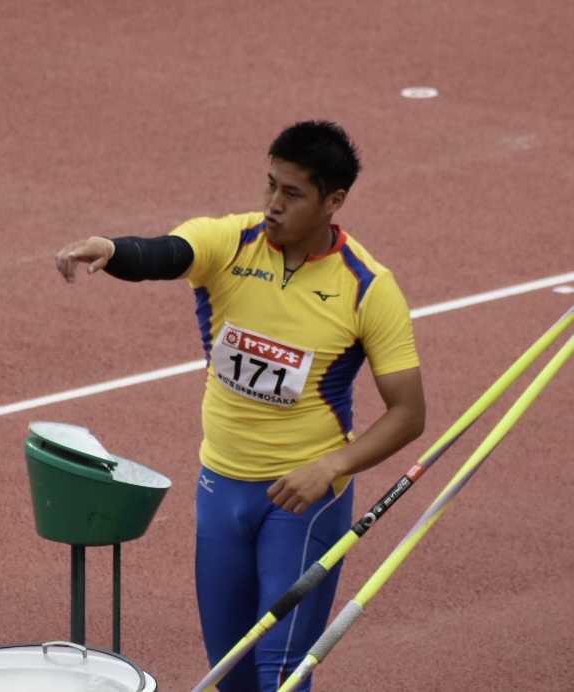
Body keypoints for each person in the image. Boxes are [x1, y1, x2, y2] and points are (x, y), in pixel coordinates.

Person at [55, 120, 426, 691]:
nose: (273, 205)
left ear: (334, 201)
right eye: (270, 185)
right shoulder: (232, 243)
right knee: (231, 674)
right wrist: (113, 249)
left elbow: (408, 412)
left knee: (279, 675)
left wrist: (331, 467)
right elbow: (165, 252)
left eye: (293, 193)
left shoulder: (368, 288)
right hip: (220, 491)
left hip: (303, 501)